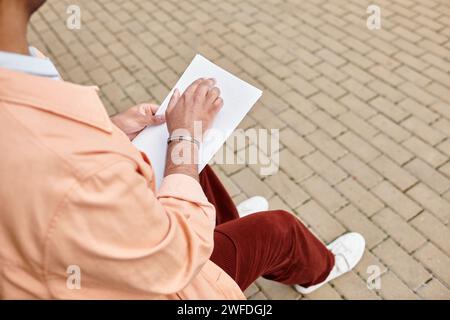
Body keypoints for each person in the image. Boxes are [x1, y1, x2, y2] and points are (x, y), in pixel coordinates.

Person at [0, 0, 365, 299]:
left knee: (188, 169)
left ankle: (228, 222)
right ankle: (321, 269)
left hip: (77, 257)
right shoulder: (81, 174)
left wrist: (110, 130)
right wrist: (186, 138)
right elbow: (174, 259)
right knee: (278, 230)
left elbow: (41, 156)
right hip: (172, 283)